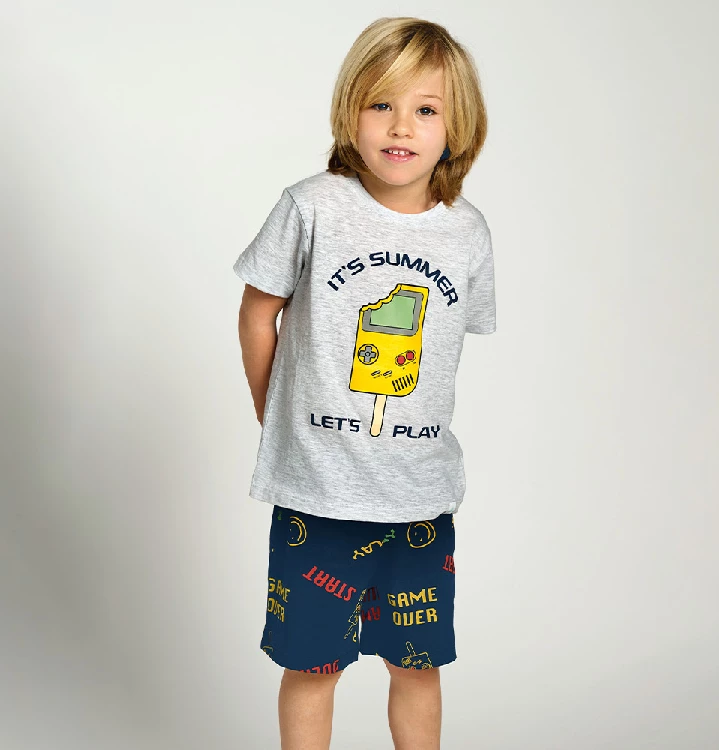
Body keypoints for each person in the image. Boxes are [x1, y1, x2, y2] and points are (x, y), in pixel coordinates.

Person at [234, 16, 496, 750]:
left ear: (457, 127)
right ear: (350, 110)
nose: (401, 125)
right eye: (381, 103)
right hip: (318, 494)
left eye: (426, 108)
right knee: (312, 667)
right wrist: (273, 414)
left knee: (417, 666)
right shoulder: (311, 207)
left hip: (418, 498)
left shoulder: (466, 232)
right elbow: (258, 313)